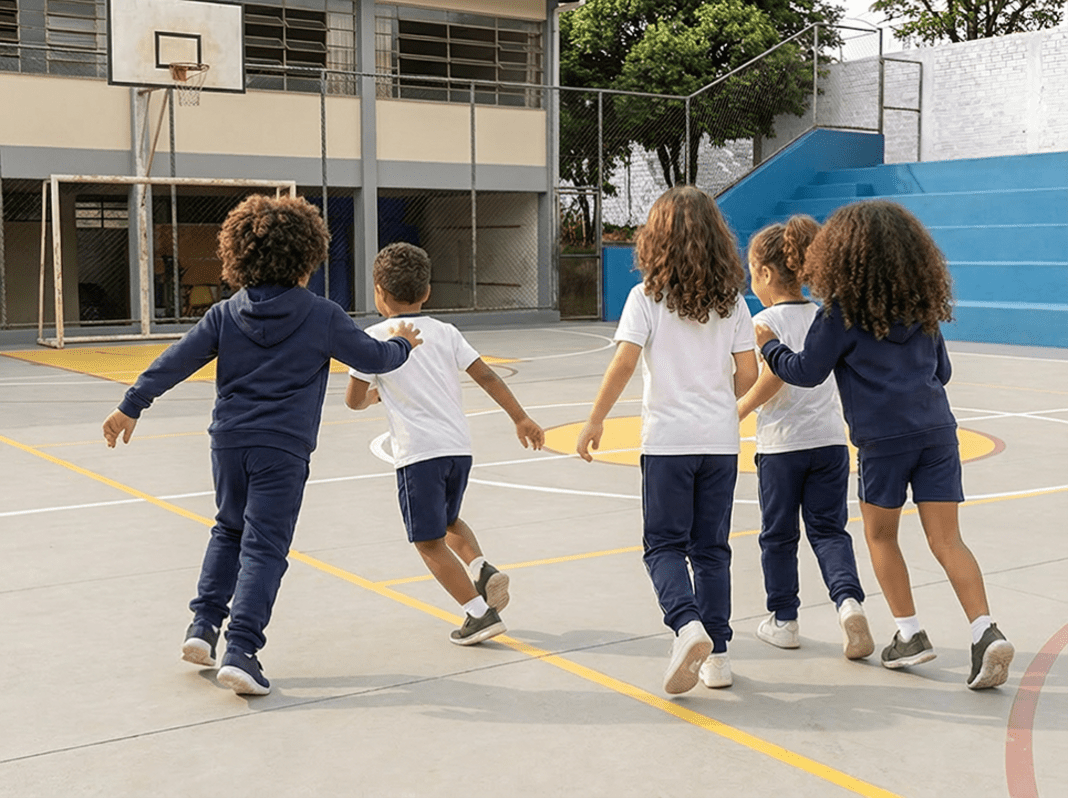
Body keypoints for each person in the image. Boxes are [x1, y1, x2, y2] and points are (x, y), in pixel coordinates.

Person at [103, 195, 422, 696]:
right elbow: (374, 356)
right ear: (306, 259)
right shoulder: (323, 315)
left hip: (228, 443)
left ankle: (203, 628)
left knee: (228, 530)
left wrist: (132, 404)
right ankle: (242, 650)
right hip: (283, 448)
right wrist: (404, 341)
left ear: (241, 258)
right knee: (265, 547)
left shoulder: (225, 314)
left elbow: (176, 359)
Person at [755, 200, 1014, 690]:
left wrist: (770, 345)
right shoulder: (923, 309)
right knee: (947, 540)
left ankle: (909, 633)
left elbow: (807, 372)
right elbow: (943, 372)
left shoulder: (840, 315)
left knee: (881, 536)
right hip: (938, 432)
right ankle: (985, 630)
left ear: (841, 254)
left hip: (882, 442)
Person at [576, 186, 759, 695]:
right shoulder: (734, 305)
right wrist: (725, 398)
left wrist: (595, 420)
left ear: (654, 240)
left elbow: (625, 362)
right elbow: (749, 374)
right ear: (718, 240)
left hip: (667, 443)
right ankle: (717, 656)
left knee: (662, 546)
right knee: (711, 551)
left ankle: (686, 625)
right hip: (721, 443)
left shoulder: (646, 299)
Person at [346, 242, 544, 646]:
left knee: (427, 540)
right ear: (427, 292)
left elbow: (353, 400)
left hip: (418, 454)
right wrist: (520, 417)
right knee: (449, 520)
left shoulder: (374, 338)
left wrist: (373, 395)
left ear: (378, 292)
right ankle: (482, 567)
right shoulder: (447, 333)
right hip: (458, 448)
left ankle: (478, 614)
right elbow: (487, 376)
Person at [738, 216, 873, 660]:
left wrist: (737, 409)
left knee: (778, 536)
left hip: (783, 446)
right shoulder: (823, 315)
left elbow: (775, 377)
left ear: (765, 273)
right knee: (830, 531)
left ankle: (783, 619)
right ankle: (848, 603)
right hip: (830, 441)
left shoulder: (762, 322)